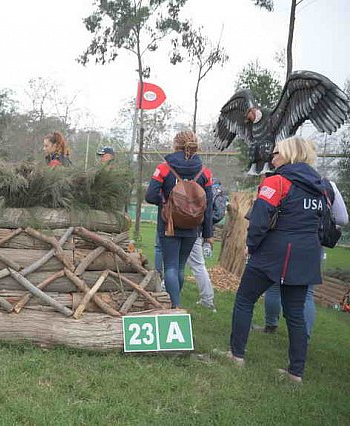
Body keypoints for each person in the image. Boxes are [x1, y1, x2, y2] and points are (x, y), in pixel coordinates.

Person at [221, 136, 328, 383]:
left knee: (245, 300)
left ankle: (236, 355)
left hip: (273, 252)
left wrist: (251, 246)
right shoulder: (321, 185)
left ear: (289, 154)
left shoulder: (277, 181)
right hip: (307, 254)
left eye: (276, 152)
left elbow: (259, 219)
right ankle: (295, 373)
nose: (272, 157)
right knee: (295, 314)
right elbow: (325, 222)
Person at [257, 154, 348, 337]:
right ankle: (303, 337)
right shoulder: (327, 185)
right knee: (306, 292)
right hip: (312, 243)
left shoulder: (279, 180)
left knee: (274, 285)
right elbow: (342, 219)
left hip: (281, 241)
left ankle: (270, 325)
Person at [145, 130, 213, 308]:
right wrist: (208, 235)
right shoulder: (205, 172)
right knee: (181, 267)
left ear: (175, 145)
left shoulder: (164, 168)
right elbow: (208, 205)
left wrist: (166, 202)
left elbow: (150, 195)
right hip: (193, 227)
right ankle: (175, 303)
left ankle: (174, 307)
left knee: (171, 267)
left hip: (170, 226)